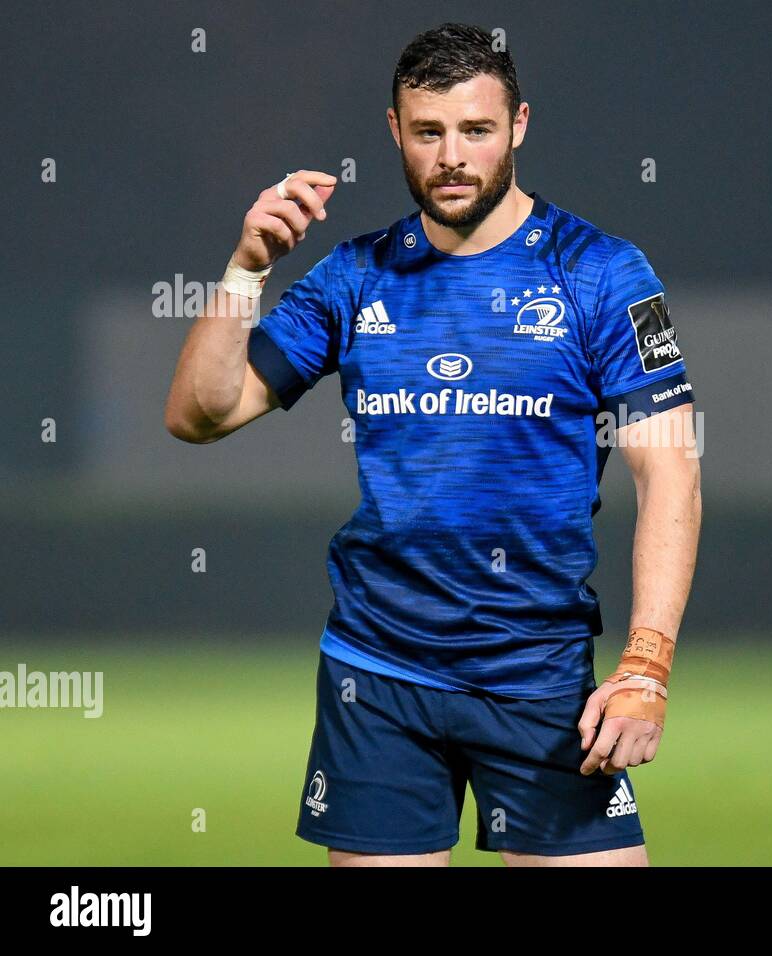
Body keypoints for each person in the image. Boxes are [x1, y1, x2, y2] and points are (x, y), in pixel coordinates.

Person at [163, 22, 701, 867]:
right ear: (394, 131)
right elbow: (199, 413)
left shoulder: (602, 273)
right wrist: (244, 271)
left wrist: (645, 665)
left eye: (476, 130)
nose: (452, 155)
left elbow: (671, 472)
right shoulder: (354, 275)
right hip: (377, 675)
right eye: (429, 132)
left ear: (519, 125)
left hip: (539, 677)